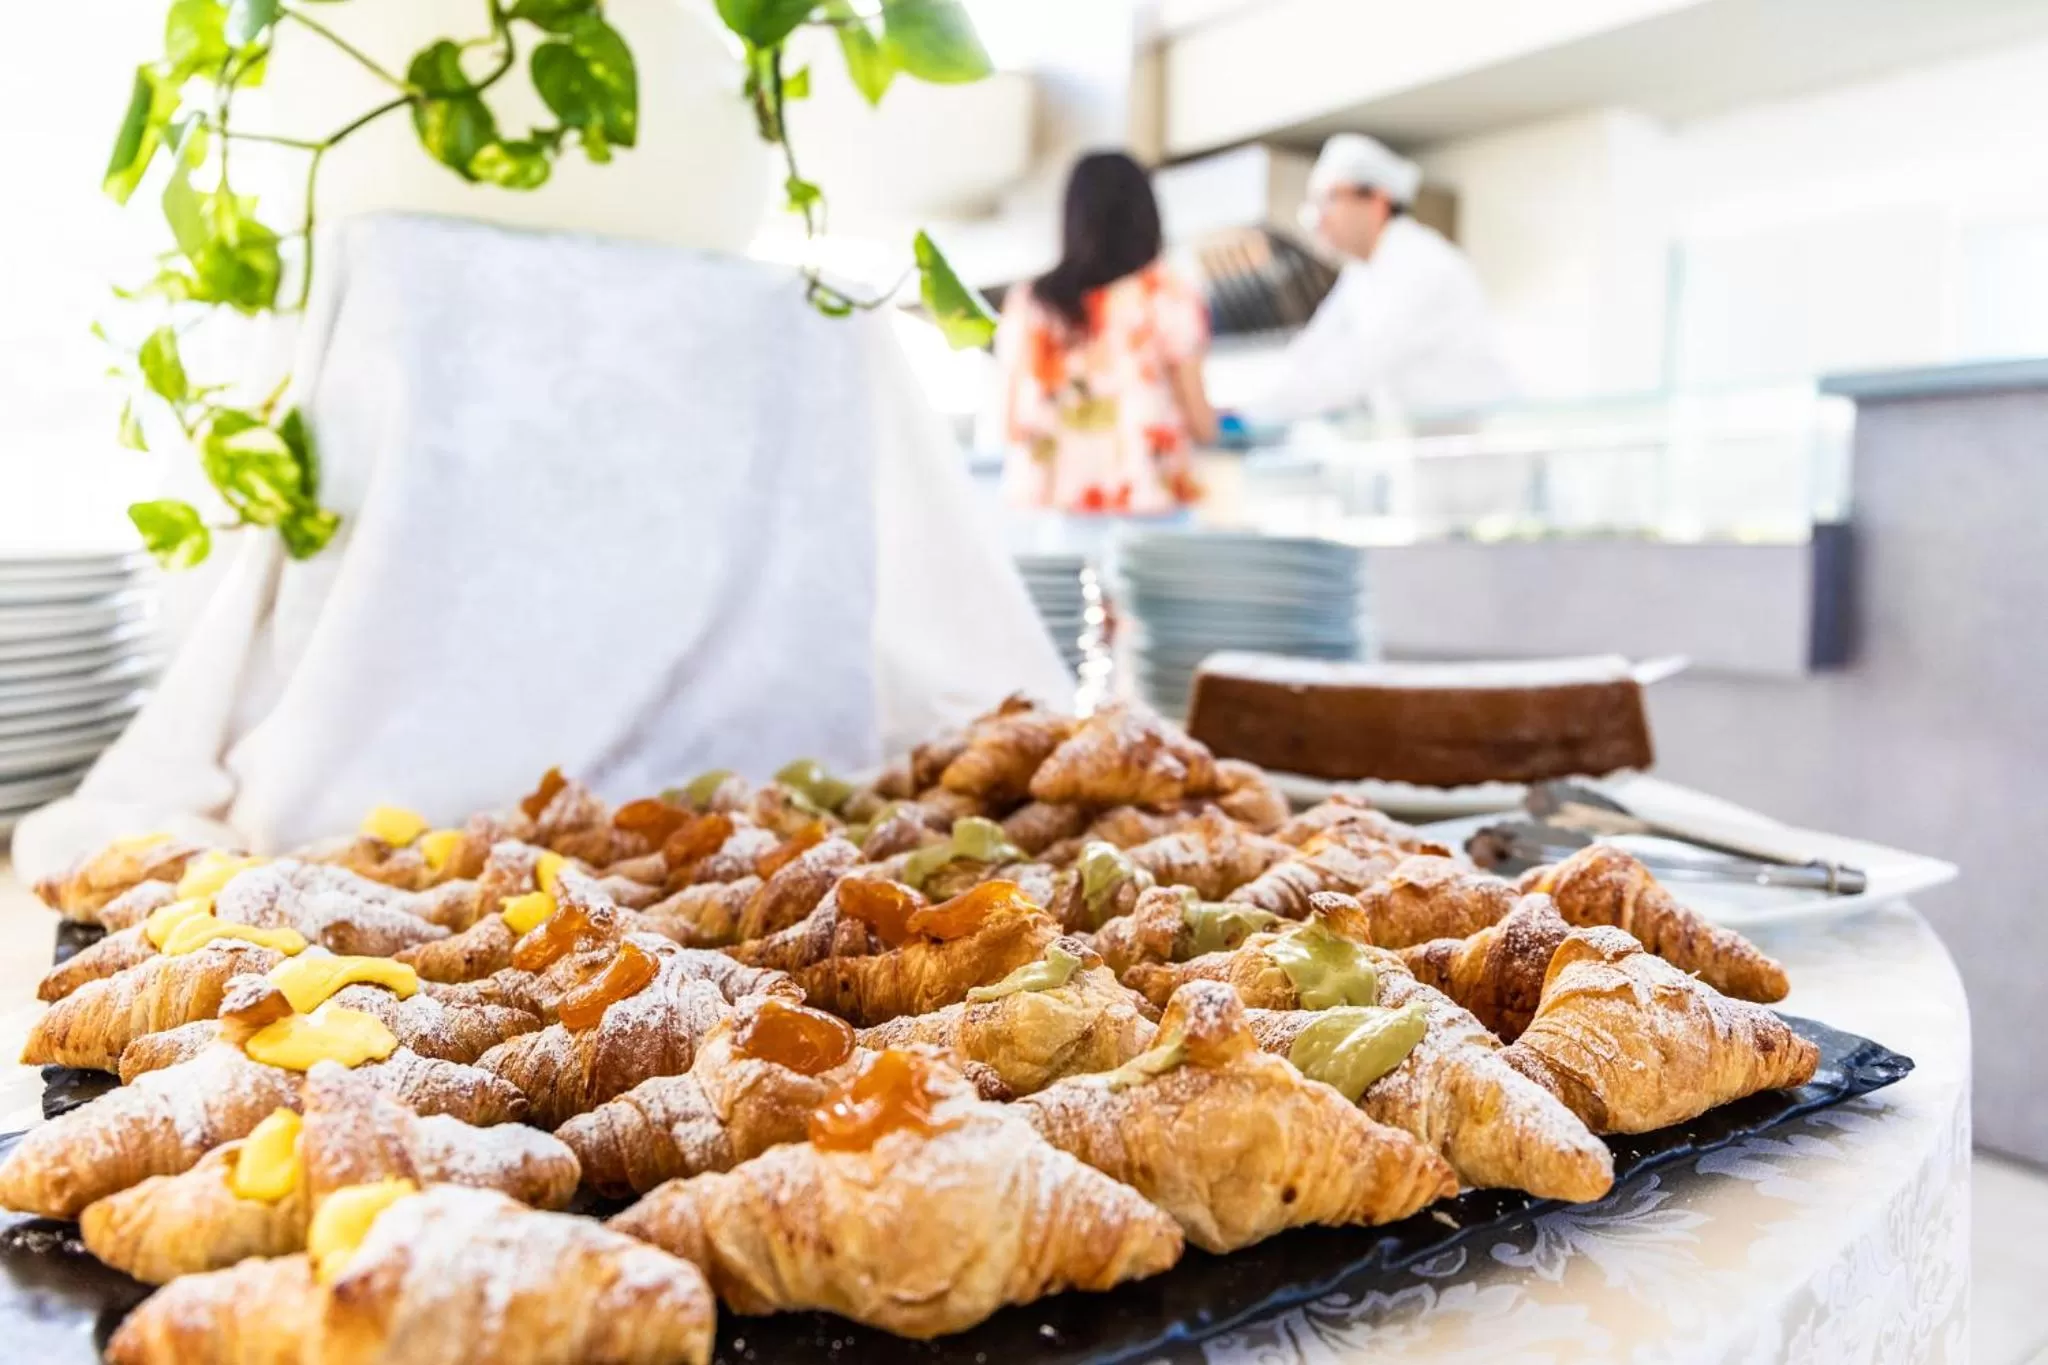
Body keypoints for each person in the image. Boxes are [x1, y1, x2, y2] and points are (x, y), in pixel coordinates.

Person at [996, 151, 1219, 515]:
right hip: (1148, 516)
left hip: (1051, 516)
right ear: (1147, 216)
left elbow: (1009, 426)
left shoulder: (1029, 305)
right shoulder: (1167, 296)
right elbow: (1201, 424)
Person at [1240, 134, 1513, 425]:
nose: (1318, 218)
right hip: (1419, 447)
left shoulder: (1420, 264)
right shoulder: (1361, 273)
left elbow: (1352, 368)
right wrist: (1250, 408)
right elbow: (1312, 350)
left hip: (1468, 450)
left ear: (1377, 200)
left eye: (1329, 199)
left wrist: (1256, 417)